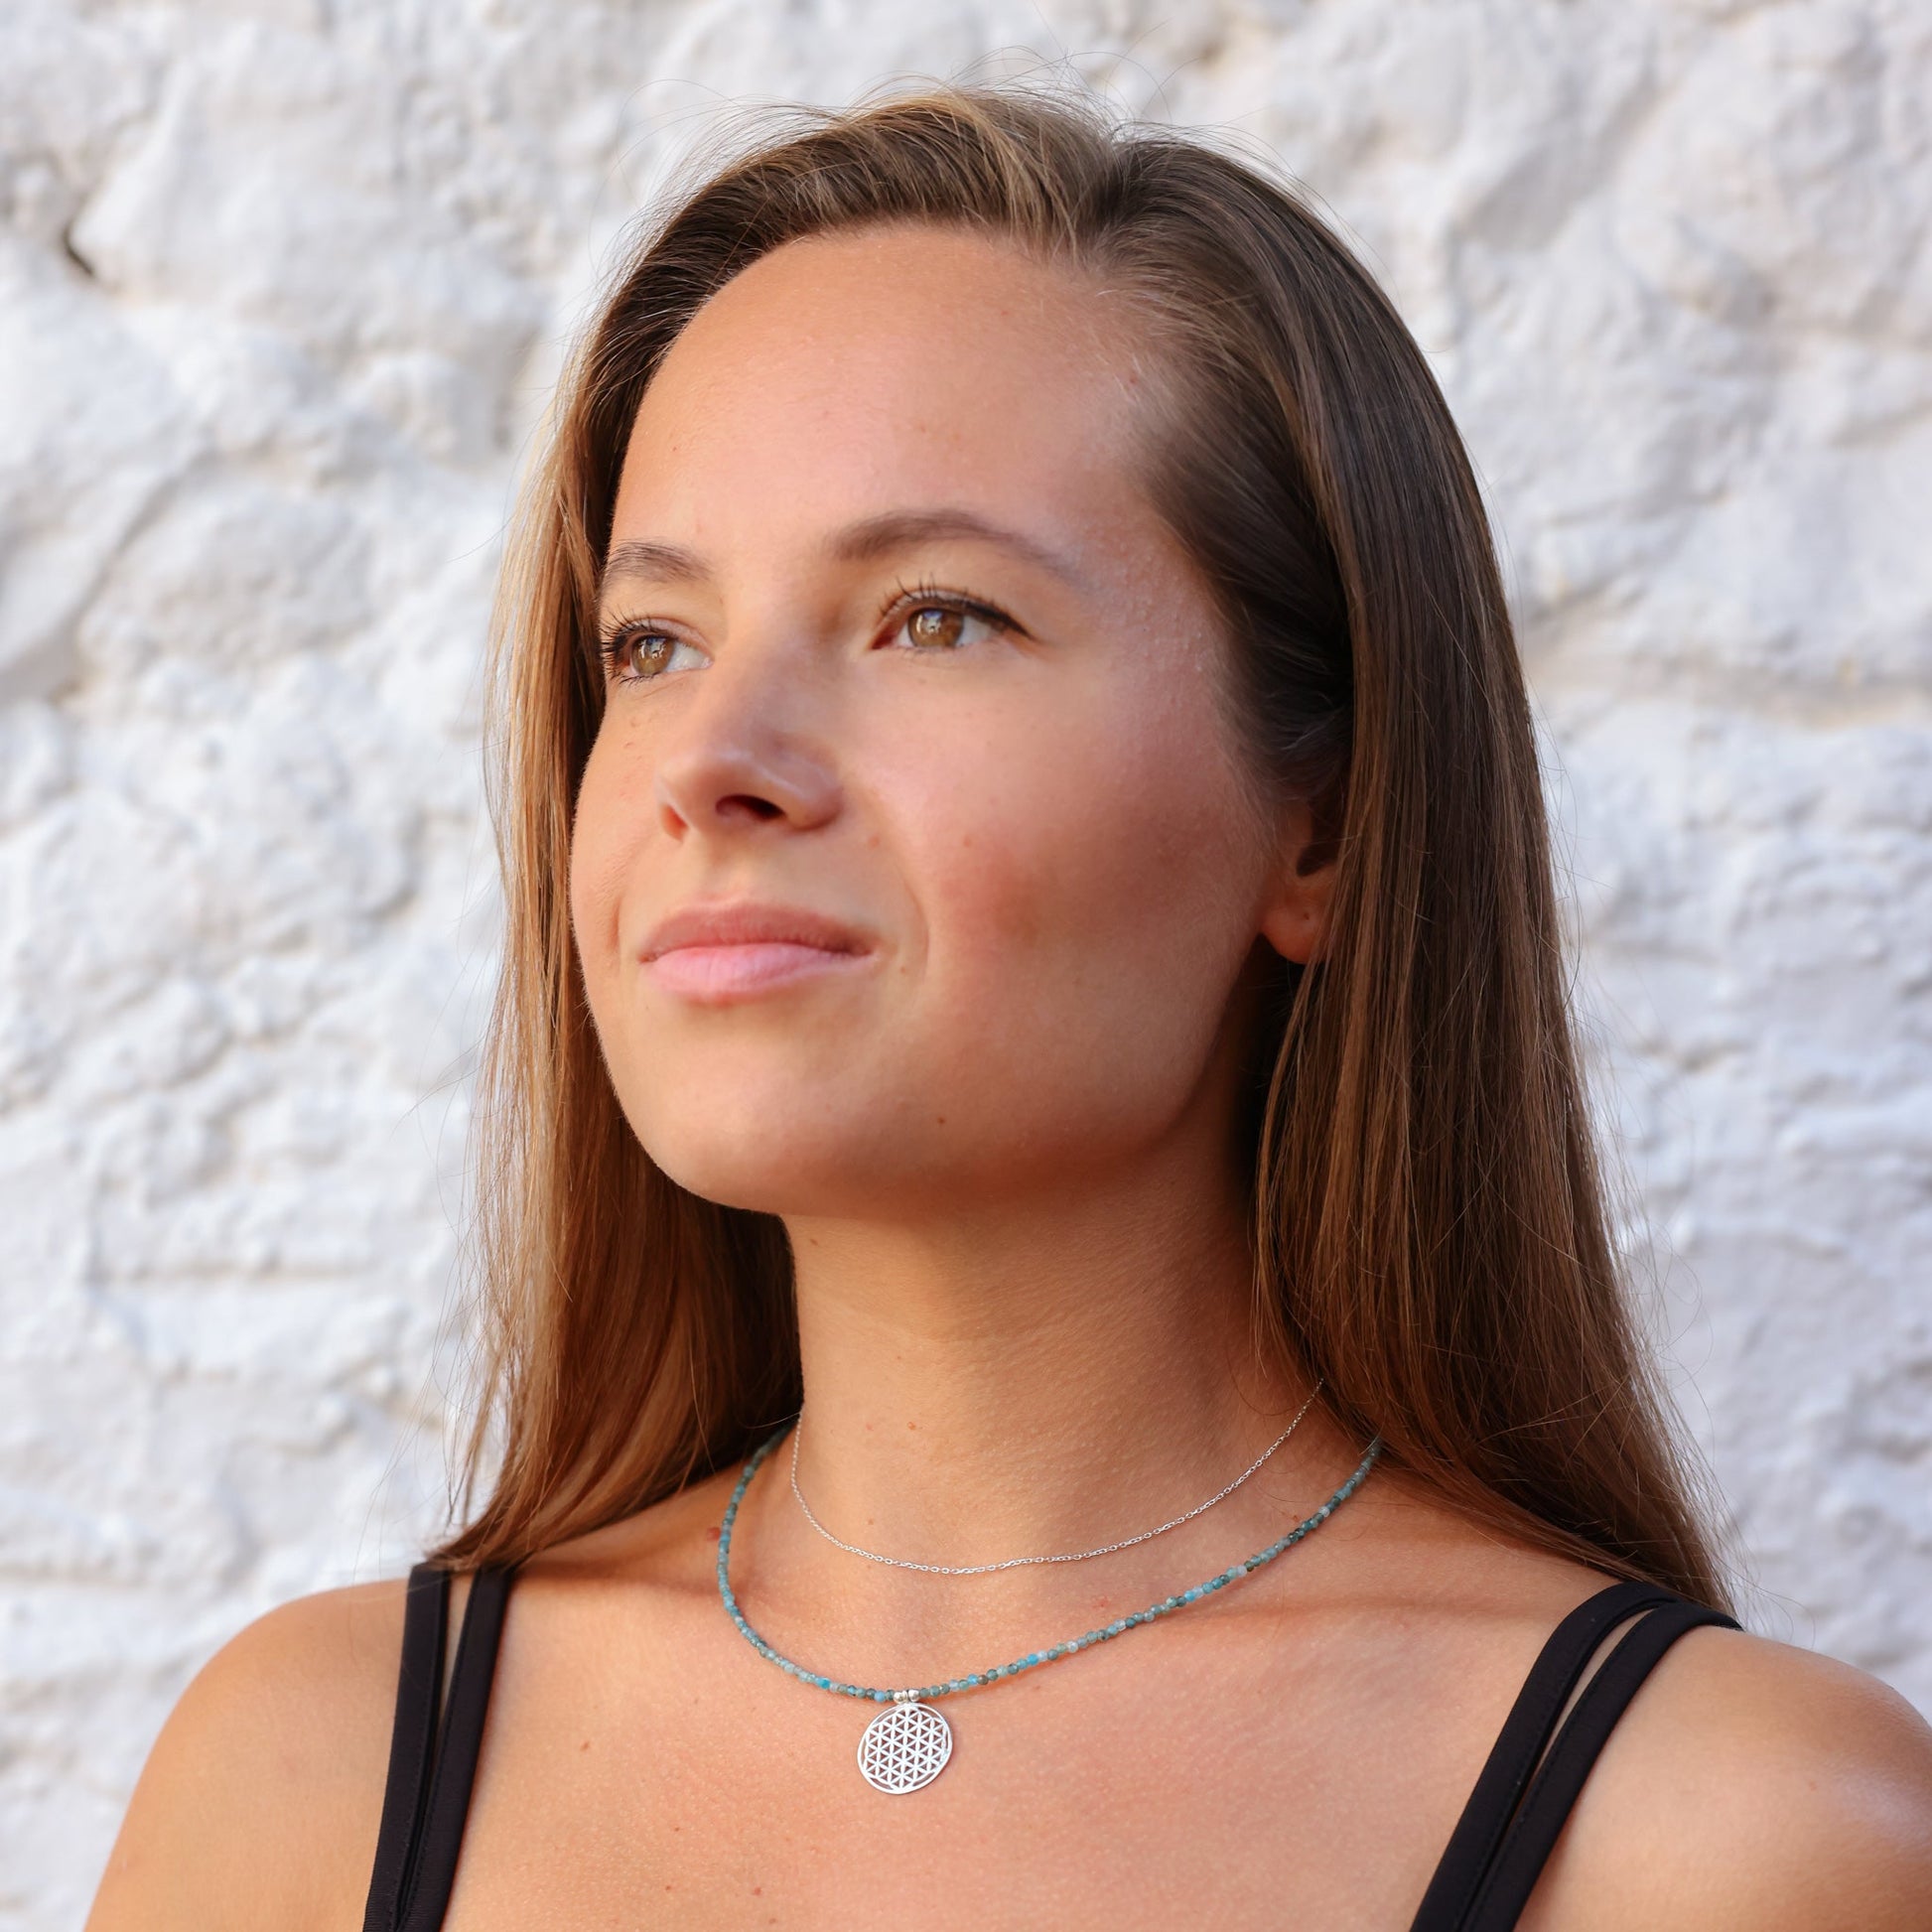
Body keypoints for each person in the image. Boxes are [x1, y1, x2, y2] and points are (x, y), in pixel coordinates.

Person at [85, 80, 1932, 1931]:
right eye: (652, 643)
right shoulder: (307, 1782)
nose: (710, 762)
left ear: (1326, 818)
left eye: (934, 616)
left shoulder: (1724, 1839)